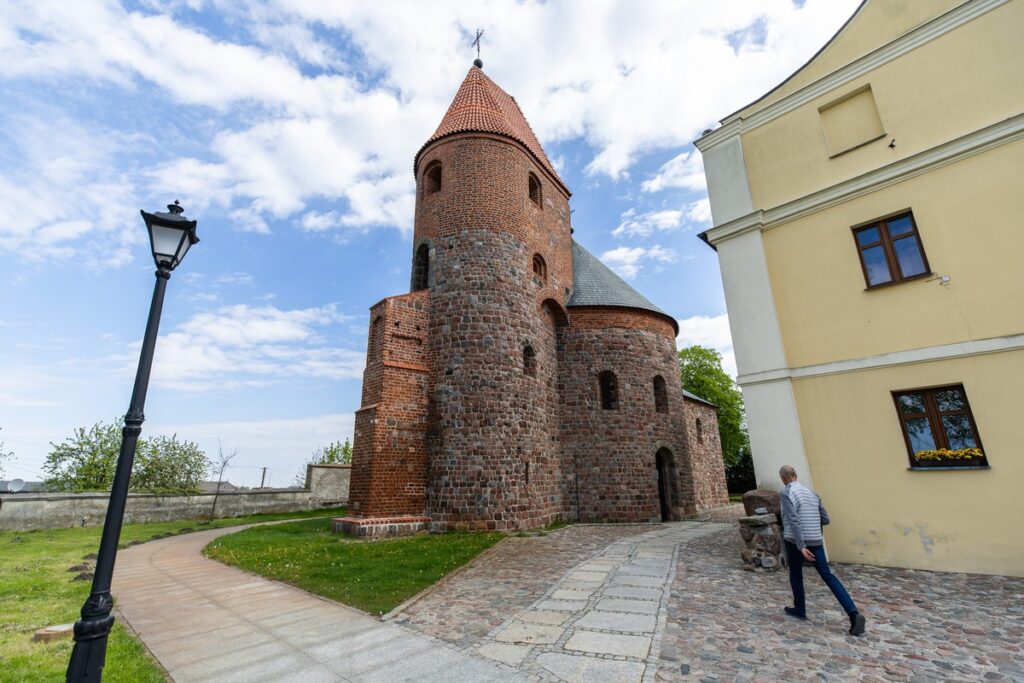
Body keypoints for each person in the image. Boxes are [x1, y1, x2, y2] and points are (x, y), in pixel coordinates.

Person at [778, 464, 866, 636]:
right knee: (828, 576)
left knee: (796, 574)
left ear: (783, 478)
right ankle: (853, 613)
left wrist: (801, 545)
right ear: (795, 475)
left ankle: (800, 608)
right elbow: (825, 518)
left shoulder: (786, 493)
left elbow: (793, 520)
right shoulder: (812, 493)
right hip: (816, 540)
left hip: (795, 541)